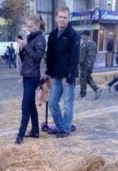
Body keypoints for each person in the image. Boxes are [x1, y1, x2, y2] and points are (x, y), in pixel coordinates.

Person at [46, 6, 80, 138]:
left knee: (68, 104)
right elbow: (50, 55)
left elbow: (74, 57)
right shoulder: (53, 35)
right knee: (53, 103)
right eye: (60, 17)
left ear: (68, 18)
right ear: (56, 18)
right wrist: (49, 72)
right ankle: (61, 126)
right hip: (56, 75)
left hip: (67, 76)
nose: (62, 20)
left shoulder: (73, 35)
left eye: (65, 17)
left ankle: (65, 129)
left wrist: (71, 76)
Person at [15, 15, 46, 144]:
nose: (28, 29)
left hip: (33, 76)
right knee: (30, 104)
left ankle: (20, 136)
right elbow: (26, 59)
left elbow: (38, 57)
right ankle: (35, 131)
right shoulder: (30, 37)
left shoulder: (40, 38)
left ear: (37, 26)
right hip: (27, 75)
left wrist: (26, 46)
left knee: (25, 106)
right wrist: (22, 49)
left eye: (31, 26)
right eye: (27, 26)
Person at [79, 30, 102, 100]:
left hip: (85, 64)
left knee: (82, 79)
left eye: (82, 35)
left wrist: (79, 63)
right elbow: (96, 53)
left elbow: (82, 57)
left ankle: (82, 95)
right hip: (91, 64)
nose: (82, 36)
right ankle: (97, 89)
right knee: (88, 78)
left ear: (86, 36)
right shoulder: (93, 43)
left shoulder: (84, 44)